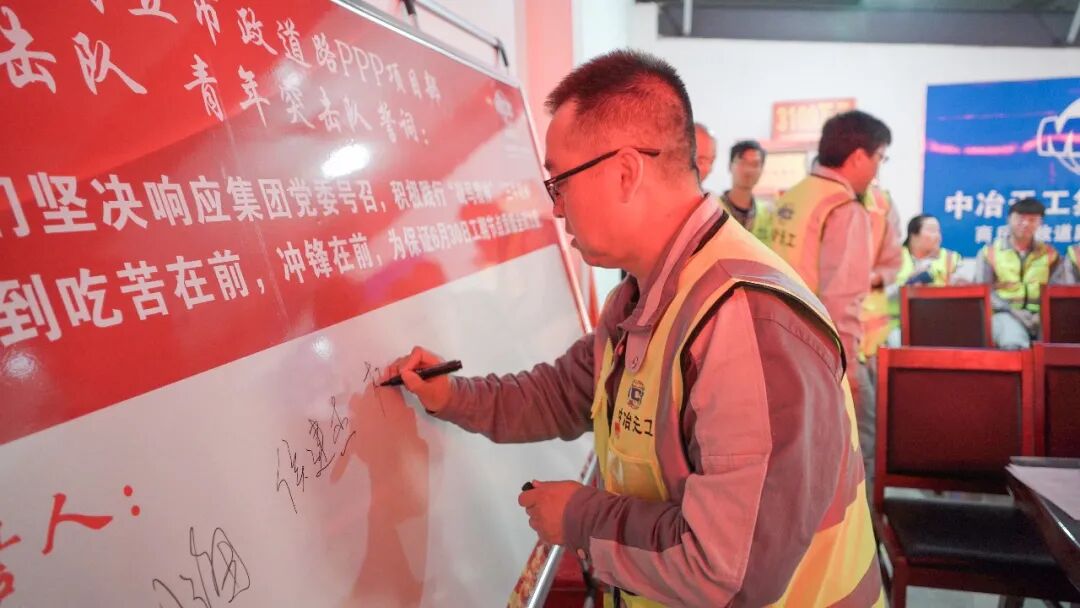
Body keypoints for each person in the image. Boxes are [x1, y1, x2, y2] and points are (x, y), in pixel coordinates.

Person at [384, 50, 881, 607]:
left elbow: (730, 570)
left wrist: (580, 518)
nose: (556, 209)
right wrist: (451, 395)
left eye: (559, 182)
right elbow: (563, 392)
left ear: (625, 172)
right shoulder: (645, 295)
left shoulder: (745, 321)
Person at [768, 109, 891, 492]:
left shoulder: (794, 198)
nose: (878, 169)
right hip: (821, 356)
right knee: (854, 453)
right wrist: (849, 371)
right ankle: (859, 529)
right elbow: (842, 300)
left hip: (778, 348)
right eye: (879, 157)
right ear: (858, 156)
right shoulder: (844, 208)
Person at [973, 197, 1060, 349]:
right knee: (1014, 343)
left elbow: (1057, 290)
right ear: (1009, 219)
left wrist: (1041, 314)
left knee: (1062, 342)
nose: (1025, 224)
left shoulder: (1050, 255)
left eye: (1032, 220)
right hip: (1003, 313)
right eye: (1020, 219)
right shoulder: (990, 253)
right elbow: (984, 291)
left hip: (1041, 315)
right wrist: (1012, 310)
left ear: (1040, 223)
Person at [885, 213, 962, 345]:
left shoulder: (951, 259)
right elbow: (881, 296)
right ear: (913, 235)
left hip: (941, 323)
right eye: (931, 230)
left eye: (938, 231)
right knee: (895, 343)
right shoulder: (893, 258)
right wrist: (909, 282)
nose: (937, 236)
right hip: (898, 323)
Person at [856, 184, 902, 363]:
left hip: (872, 336)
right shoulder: (817, 198)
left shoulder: (882, 203)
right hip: (827, 326)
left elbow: (893, 258)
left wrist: (879, 277)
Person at [719, 139, 773, 242]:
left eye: (755, 164)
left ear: (762, 169)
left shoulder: (768, 215)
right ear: (730, 166)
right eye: (742, 162)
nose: (748, 170)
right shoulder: (714, 208)